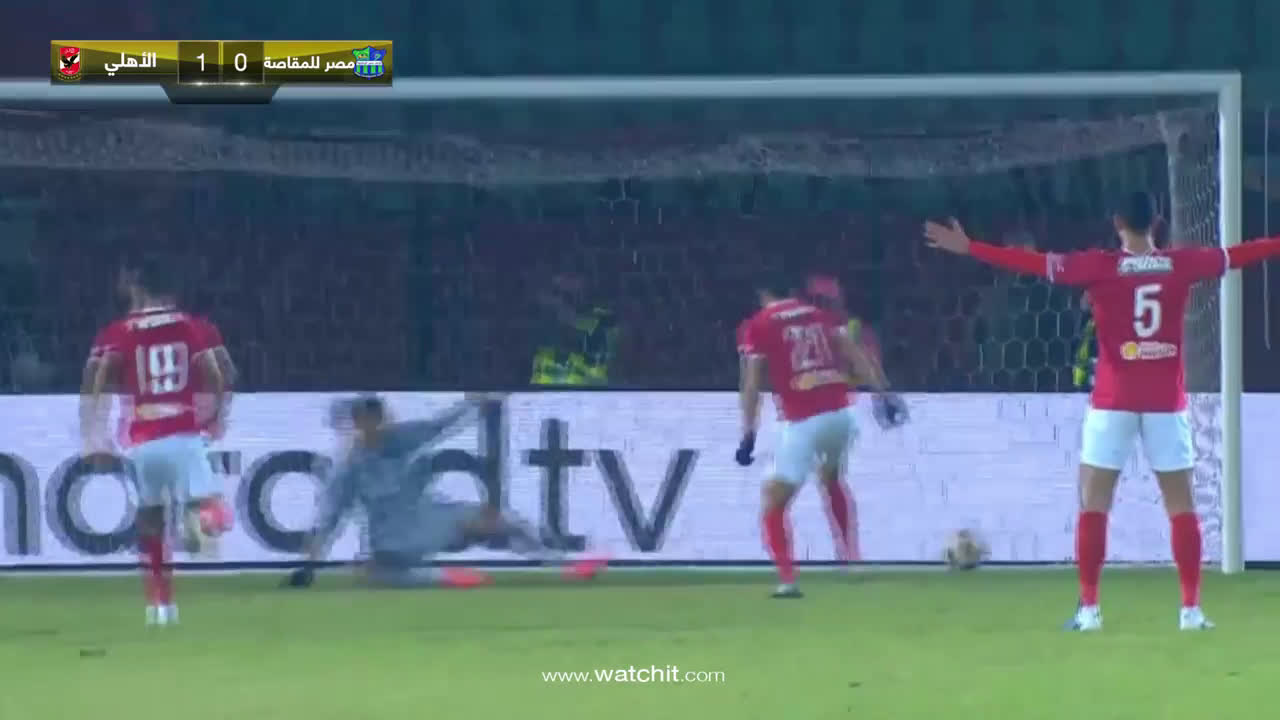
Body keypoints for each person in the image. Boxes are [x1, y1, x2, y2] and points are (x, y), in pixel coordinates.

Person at [923, 190, 1280, 631]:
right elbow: (1240, 254)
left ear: (1117, 223)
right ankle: (1191, 610)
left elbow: (1032, 263)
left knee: (1095, 504)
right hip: (1166, 402)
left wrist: (971, 247)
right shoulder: (1183, 263)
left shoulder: (1098, 266)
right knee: (1181, 506)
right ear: (1158, 223)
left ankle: (1089, 610)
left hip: (1114, 402)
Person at [284, 394, 607, 589]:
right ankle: (441, 577)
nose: (380, 424)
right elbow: (328, 522)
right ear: (359, 423)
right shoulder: (348, 468)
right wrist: (308, 568)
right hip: (392, 537)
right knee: (378, 569)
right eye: (371, 419)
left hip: (431, 517)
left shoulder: (399, 437)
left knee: (498, 520)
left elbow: (439, 425)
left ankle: (563, 565)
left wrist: (474, 403)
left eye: (380, 417)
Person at [736, 272, 908, 598]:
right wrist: (883, 392)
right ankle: (852, 559)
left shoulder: (758, 324)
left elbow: (752, 384)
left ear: (761, 293)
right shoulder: (820, 314)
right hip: (842, 416)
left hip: (803, 419)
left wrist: (748, 434)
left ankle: (787, 580)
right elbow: (857, 354)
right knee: (831, 478)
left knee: (773, 500)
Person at [80, 258, 230, 627]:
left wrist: (94, 432)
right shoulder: (191, 326)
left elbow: (98, 378)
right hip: (184, 432)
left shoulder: (119, 332)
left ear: (138, 288)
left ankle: (161, 607)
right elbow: (218, 374)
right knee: (209, 504)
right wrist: (215, 413)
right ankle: (201, 523)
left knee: (150, 521)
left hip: (142, 439)